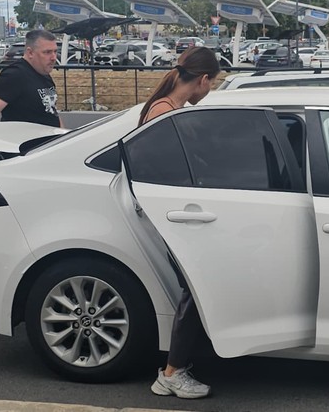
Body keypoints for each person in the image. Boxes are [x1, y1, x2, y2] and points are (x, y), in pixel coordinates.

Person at [141, 46, 221, 399]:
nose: (211, 90)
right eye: (213, 83)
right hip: (172, 216)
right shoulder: (164, 113)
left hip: (175, 214)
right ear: (202, 80)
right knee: (194, 290)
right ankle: (171, 373)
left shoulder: (167, 108)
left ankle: (176, 367)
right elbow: (161, 168)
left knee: (193, 289)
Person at [0, 29, 63, 127]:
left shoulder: (43, 73)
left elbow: (52, 112)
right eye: (47, 52)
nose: (53, 57)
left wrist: (64, 136)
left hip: (52, 140)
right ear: (30, 52)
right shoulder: (14, 75)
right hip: (24, 141)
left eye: (55, 51)